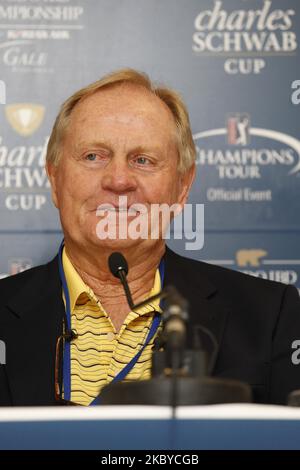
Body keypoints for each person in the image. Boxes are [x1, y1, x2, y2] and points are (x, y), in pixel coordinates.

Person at [0, 69, 299, 406]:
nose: (118, 180)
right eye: (93, 156)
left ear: (182, 187)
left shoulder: (270, 316)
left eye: (142, 160)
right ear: (55, 178)